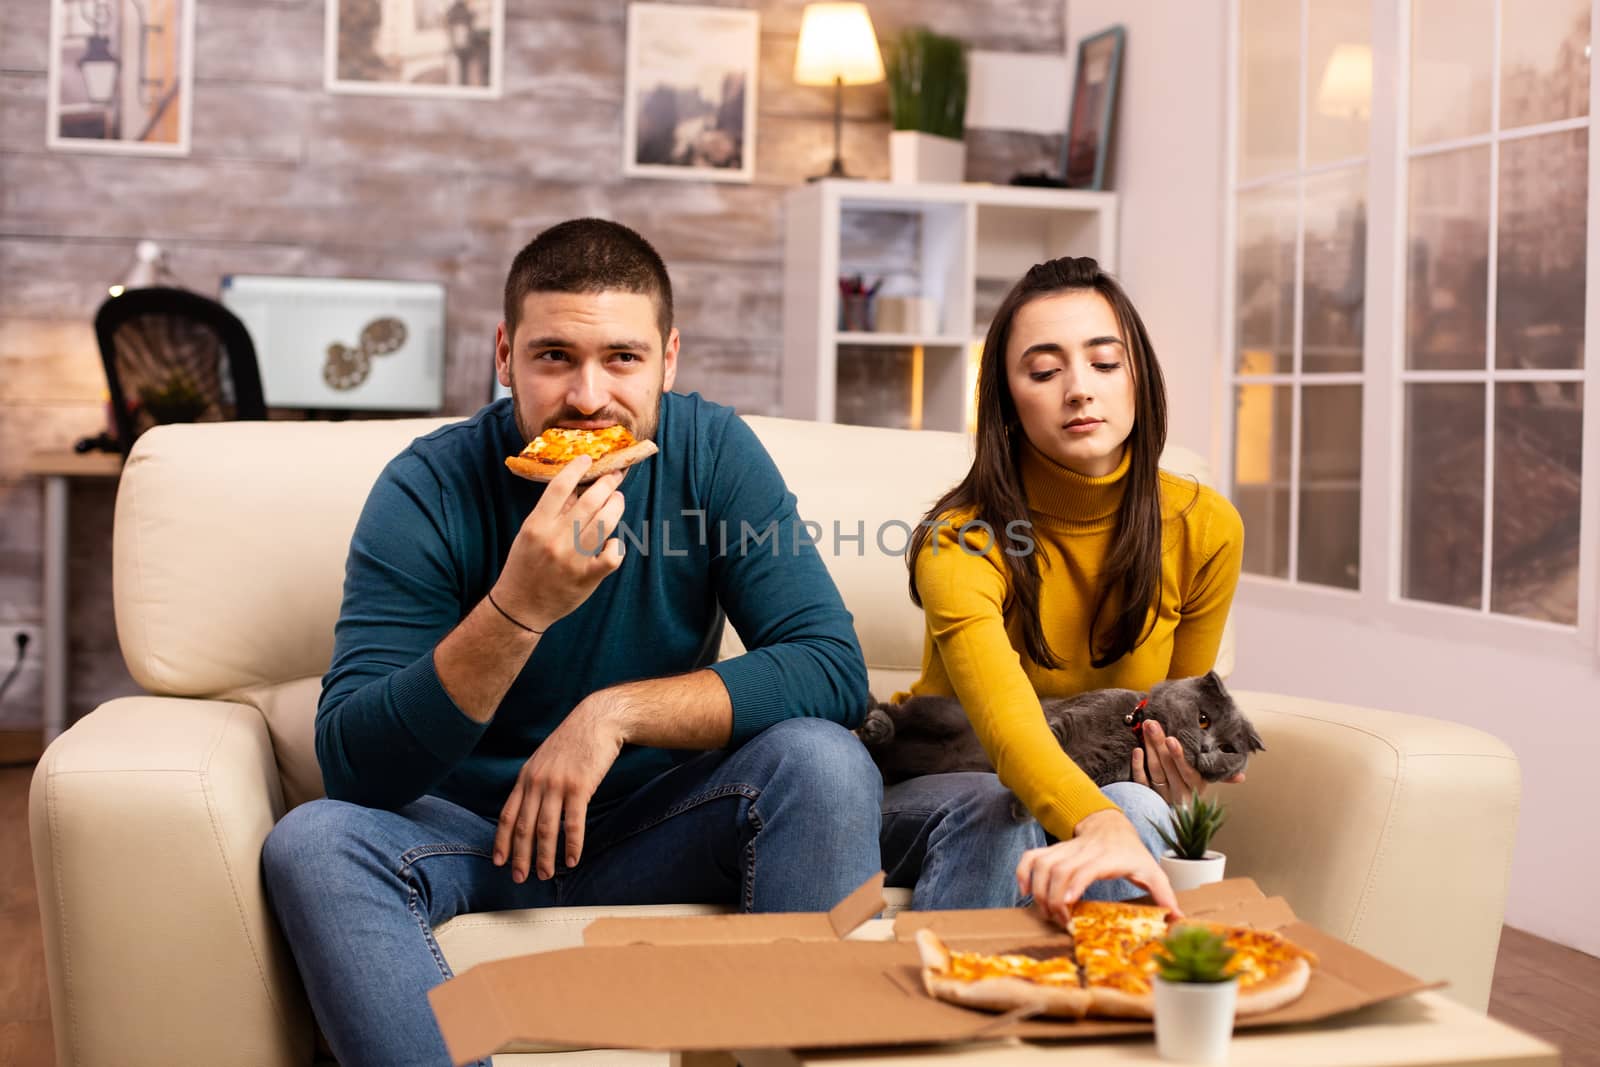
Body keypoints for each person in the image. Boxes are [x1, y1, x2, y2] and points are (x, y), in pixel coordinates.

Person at [261, 218, 881, 1067]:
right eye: (555, 357)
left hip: (659, 825)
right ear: (505, 356)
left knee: (824, 759)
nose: (589, 397)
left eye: (622, 359)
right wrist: (517, 608)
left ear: (669, 360)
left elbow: (831, 669)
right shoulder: (429, 484)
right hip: (475, 839)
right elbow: (355, 766)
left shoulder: (711, 451)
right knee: (312, 841)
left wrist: (612, 716)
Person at [880, 255, 1245, 925]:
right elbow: (1006, 729)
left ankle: (1101, 1012)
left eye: (1105, 364)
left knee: (1140, 808)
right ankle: (951, 1007)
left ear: (1140, 379)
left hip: (1103, 785)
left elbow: (1181, 707)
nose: (1080, 389)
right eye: (1045, 372)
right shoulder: (961, 539)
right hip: (951, 778)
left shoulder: (1205, 526)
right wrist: (1094, 819)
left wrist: (1185, 767)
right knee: (1002, 808)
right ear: (1007, 401)